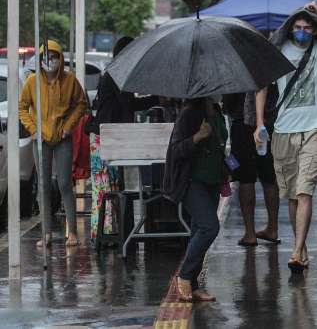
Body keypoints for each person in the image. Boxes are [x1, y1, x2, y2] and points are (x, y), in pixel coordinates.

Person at [254, 1, 317, 273]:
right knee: (292, 196)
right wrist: (259, 123)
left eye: (307, 28)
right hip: (284, 130)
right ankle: (301, 247)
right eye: (297, 27)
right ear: (290, 29)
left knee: (305, 190)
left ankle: (297, 250)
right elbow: (262, 87)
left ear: (314, 31)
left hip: (315, 129)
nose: (301, 32)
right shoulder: (278, 51)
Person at [86, 36, 158, 243]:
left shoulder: (116, 73)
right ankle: (104, 234)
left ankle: (110, 232)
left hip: (109, 136)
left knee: (111, 186)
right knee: (104, 187)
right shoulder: (116, 74)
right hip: (103, 137)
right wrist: (155, 99)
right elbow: (129, 104)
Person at [19, 40, 87, 247]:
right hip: (40, 140)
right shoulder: (32, 82)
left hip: (62, 139)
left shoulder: (70, 81)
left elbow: (81, 104)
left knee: (66, 183)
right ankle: (46, 232)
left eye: (54, 56)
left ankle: (72, 232)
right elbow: (22, 107)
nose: (50, 61)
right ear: (40, 60)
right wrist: (33, 129)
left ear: (61, 59)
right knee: (44, 185)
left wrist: (68, 127)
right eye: (46, 57)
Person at [164, 96, 227, 302]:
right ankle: (184, 275)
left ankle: (193, 283)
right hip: (191, 181)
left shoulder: (217, 112)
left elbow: (220, 144)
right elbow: (175, 151)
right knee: (210, 227)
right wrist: (197, 137)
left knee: (198, 230)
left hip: (213, 180)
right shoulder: (189, 113)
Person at [223, 91, 279, 247]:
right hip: (267, 123)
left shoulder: (235, 67)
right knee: (269, 176)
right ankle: (273, 228)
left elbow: (229, 101)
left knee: (246, 179)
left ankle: (250, 233)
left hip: (242, 123)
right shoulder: (263, 66)